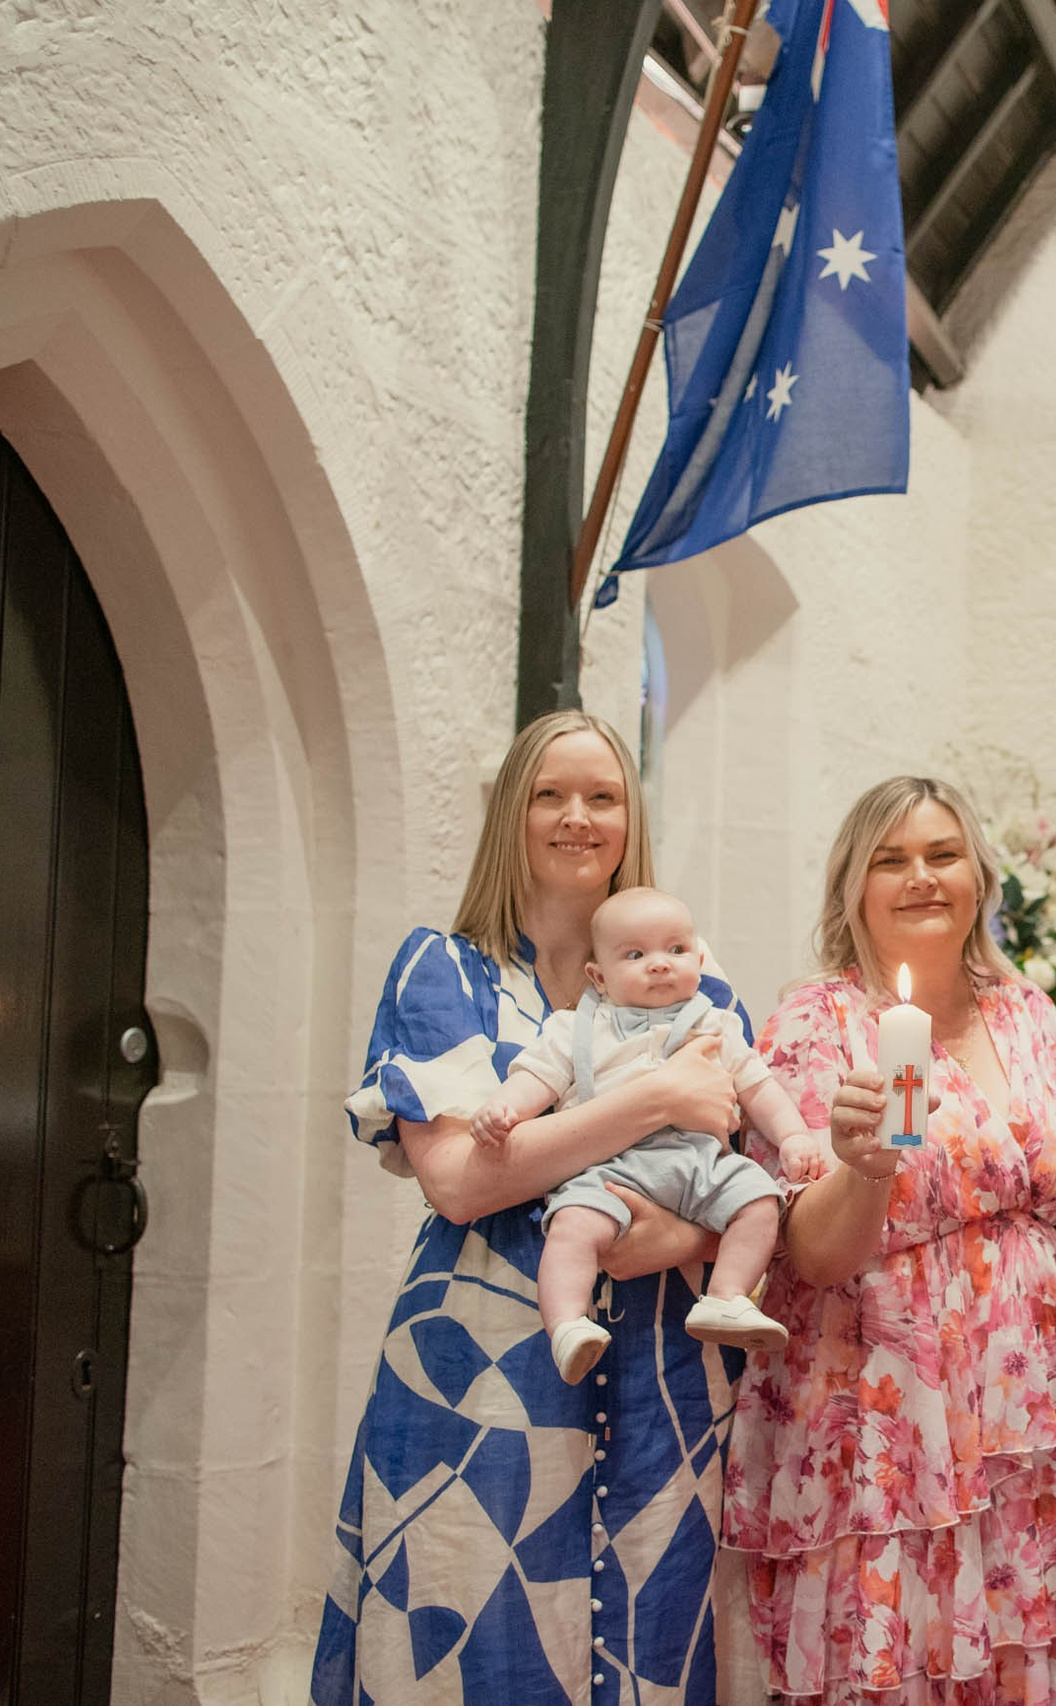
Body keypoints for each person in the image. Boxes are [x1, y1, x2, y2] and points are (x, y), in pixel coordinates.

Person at [313, 710, 762, 1705]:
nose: (576, 816)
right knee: (474, 1635)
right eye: (549, 793)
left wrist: (665, 1232)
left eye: (602, 796)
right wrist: (651, 1099)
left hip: (664, 1370)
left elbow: (740, 1162)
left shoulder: (691, 970)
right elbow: (465, 1180)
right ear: (511, 812)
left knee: (656, 1635)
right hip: (482, 1366)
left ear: (629, 817)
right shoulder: (447, 967)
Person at [721, 776, 1056, 1703]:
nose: (921, 877)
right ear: (853, 886)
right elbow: (809, 1256)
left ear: (979, 874)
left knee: (1005, 1649)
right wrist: (862, 1165)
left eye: (941, 854)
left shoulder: (1028, 1011)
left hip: (1014, 1403)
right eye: (891, 860)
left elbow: (1045, 1207)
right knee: (886, 1657)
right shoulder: (818, 1020)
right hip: (879, 1401)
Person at [476, 885, 823, 1373]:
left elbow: (759, 1089)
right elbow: (537, 1077)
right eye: (636, 954)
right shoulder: (574, 1029)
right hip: (612, 1168)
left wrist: (793, 1137)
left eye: (676, 950)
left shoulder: (716, 1026)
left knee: (761, 1203)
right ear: (598, 976)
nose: (660, 963)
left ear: (699, 959)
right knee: (573, 1225)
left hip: (701, 1161)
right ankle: (567, 1323)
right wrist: (502, 1109)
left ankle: (725, 1297)